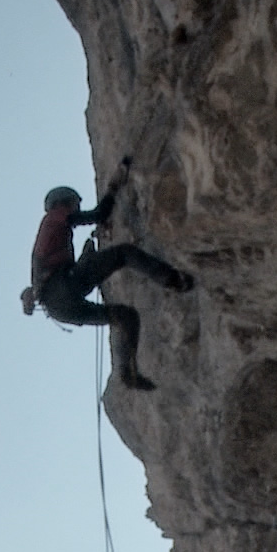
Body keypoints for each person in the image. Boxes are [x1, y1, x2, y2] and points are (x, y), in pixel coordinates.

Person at [22, 159, 193, 391]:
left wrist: (88, 252)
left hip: (60, 308)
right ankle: (174, 280)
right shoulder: (54, 218)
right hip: (64, 288)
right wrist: (114, 186)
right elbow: (99, 214)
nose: (76, 209)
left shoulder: (49, 241)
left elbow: (53, 272)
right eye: (74, 204)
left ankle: (128, 373)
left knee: (126, 316)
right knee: (124, 253)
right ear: (62, 203)